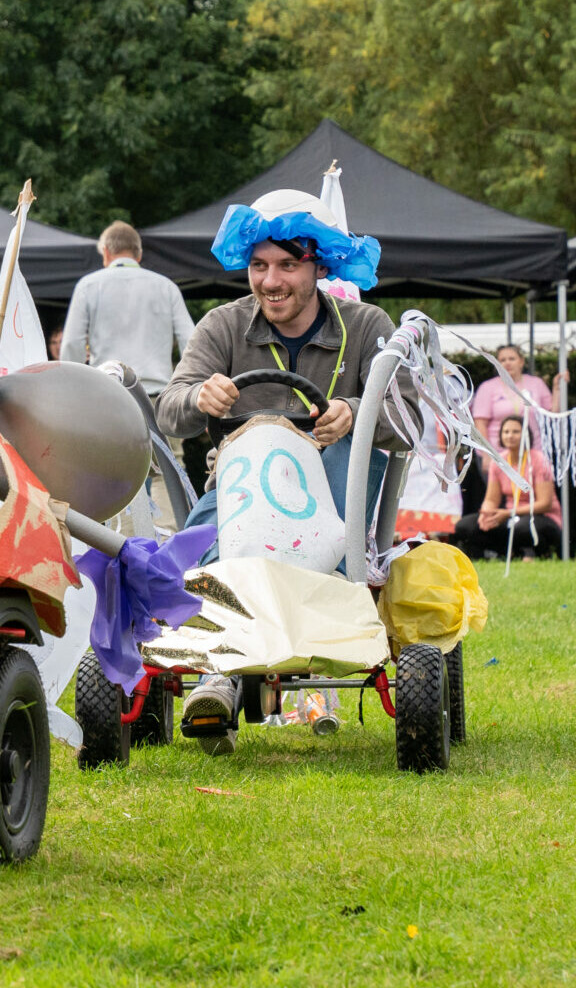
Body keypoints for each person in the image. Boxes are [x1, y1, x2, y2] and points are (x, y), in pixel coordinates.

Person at [154, 177, 399, 746]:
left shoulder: (366, 328)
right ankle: (217, 672)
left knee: (339, 475)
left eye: (287, 265)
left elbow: (410, 412)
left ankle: (237, 667)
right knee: (197, 546)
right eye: (258, 265)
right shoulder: (221, 324)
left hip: (334, 488)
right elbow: (169, 411)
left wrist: (356, 412)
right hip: (243, 486)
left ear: (319, 266)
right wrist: (198, 398)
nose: (270, 280)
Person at [58, 221, 195, 396]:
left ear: (106, 252)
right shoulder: (167, 287)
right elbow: (190, 340)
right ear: (139, 255)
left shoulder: (88, 286)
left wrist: (73, 389)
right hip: (157, 397)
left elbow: (72, 343)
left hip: (107, 394)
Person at [456, 415, 559, 558]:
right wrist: (486, 514)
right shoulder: (499, 461)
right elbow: (491, 500)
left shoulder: (539, 459)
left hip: (539, 517)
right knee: (465, 526)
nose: (510, 436)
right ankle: (507, 553)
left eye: (516, 432)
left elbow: (545, 504)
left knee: (522, 528)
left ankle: (535, 553)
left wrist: (508, 513)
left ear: (526, 434)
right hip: (509, 516)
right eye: (506, 432)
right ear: (500, 435)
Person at [470, 345, 554, 447]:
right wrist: (487, 454)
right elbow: (480, 423)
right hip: (498, 454)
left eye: (512, 359)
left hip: (533, 451)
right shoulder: (487, 387)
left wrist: (558, 388)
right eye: (502, 360)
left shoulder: (537, 383)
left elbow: (552, 414)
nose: (507, 363)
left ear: (521, 361)